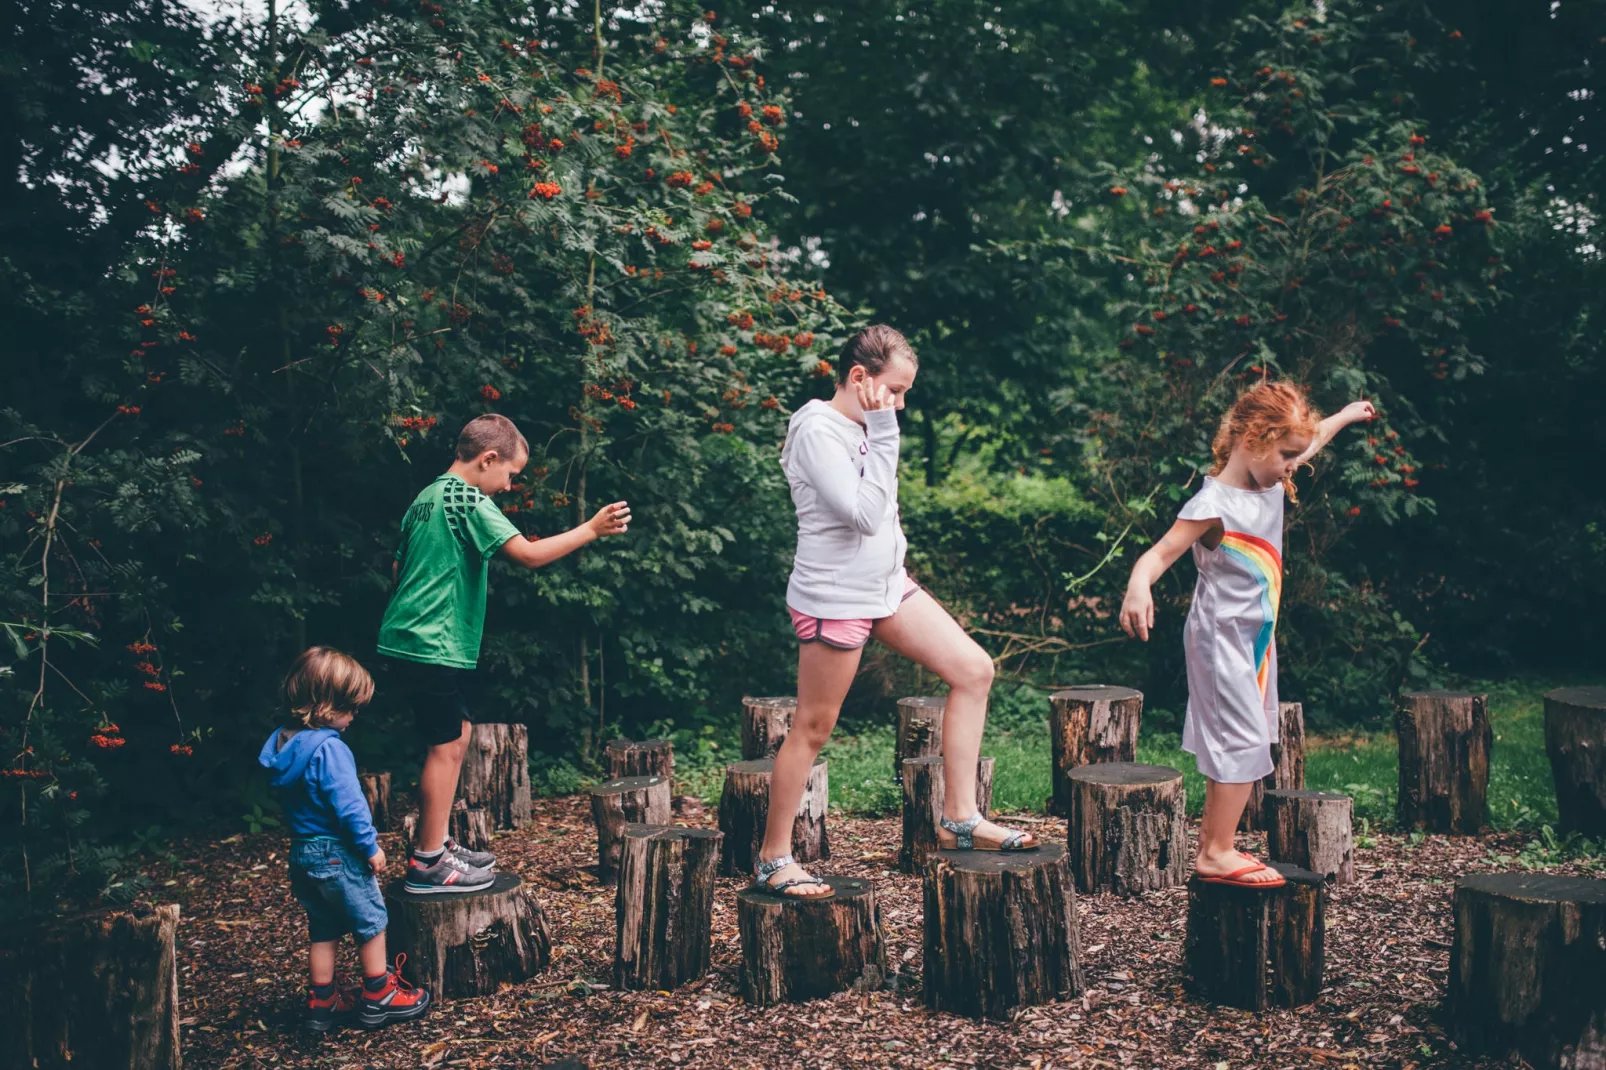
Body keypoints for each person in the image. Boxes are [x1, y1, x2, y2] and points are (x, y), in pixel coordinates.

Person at [753, 325, 1040, 900]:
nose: (901, 404)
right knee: (813, 727)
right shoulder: (817, 430)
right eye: (896, 390)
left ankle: (960, 817)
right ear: (860, 377)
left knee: (974, 670)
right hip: (836, 597)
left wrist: (882, 429)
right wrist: (886, 431)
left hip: (887, 587)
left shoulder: (865, 424)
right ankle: (773, 858)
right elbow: (862, 514)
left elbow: (880, 515)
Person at [1119, 380, 1375, 887]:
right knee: (1238, 738)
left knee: (1248, 736)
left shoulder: (1272, 483)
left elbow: (1312, 437)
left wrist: (1344, 415)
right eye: (1285, 455)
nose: (1292, 466)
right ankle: (1215, 852)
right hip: (1220, 640)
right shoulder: (1213, 504)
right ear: (1253, 437)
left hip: (1256, 641)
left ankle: (1219, 845)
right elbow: (1160, 553)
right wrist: (1137, 587)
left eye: (1295, 457)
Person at [377, 413, 630, 894]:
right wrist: (592, 529)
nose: (511, 486)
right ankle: (427, 862)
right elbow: (529, 555)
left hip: (415, 635)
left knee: (459, 734)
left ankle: (436, 842)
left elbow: (396, 566)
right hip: (431, 639)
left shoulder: (424, 498)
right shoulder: (465, 497)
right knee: (445, 744)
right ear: (488, 459)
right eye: (511, 475)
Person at [259, 646, 432, 1032]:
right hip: (337, 852)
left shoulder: (284, 746)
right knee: (372, 921)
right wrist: (370, 847)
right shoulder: (330, 750)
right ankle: (379, 995)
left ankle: (323, 1001)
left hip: (303, 852)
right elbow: (350, 806)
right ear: (324, 706)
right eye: (350, 708)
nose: (354, 717)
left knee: (323, 927)